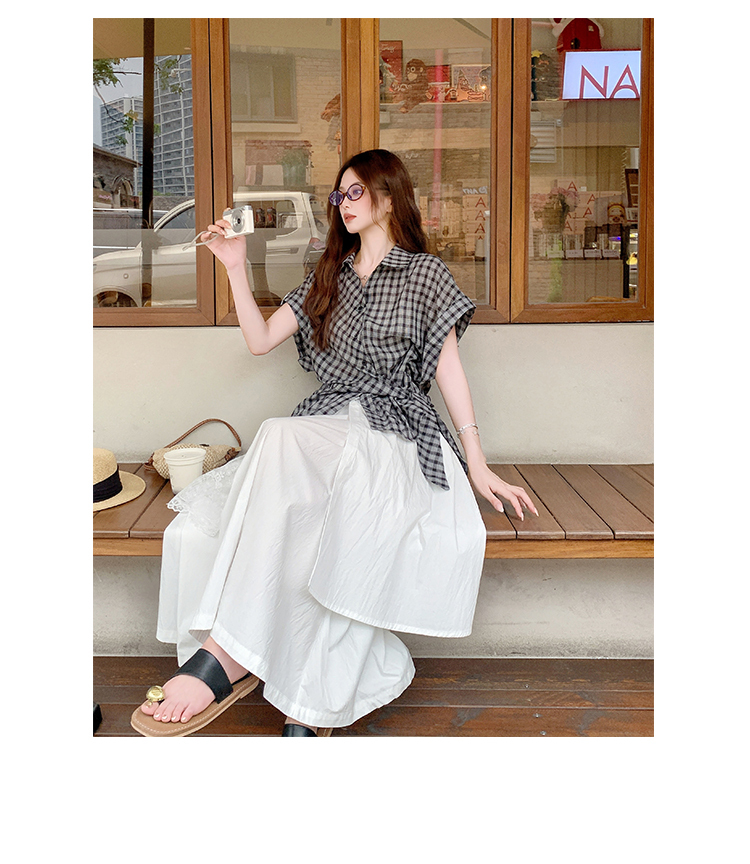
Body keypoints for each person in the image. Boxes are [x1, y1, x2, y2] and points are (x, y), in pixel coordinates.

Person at [131, 149, 537, 738]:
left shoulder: (425, 275)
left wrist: (477, 462)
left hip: (396, 430)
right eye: (338, 194)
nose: (343, 203)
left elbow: (448, 370)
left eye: (355, 192)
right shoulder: (329, 276)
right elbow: (260, 339)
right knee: (296, 495)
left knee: (289, 451)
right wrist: (236, 267)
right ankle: (281, 679)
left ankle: (230, 658)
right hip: (329, 423)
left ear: (389, 198)